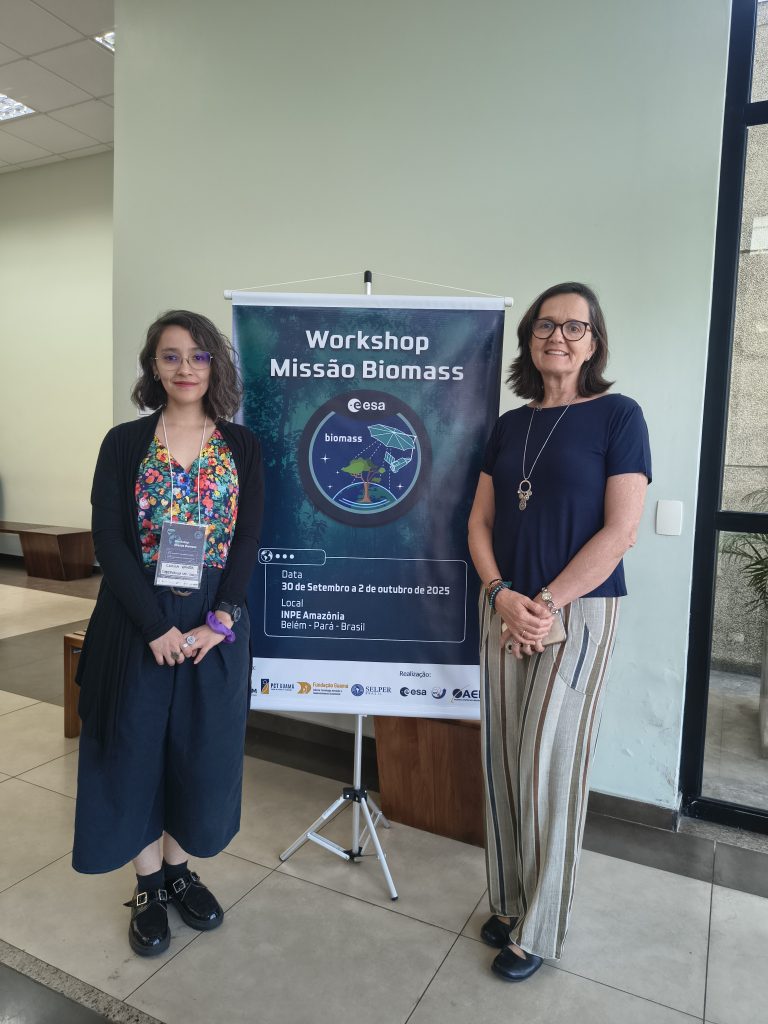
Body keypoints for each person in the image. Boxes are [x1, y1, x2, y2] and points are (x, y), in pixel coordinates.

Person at [468, 282, 651, 982]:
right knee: (504, 761)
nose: (559, 337)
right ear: (529, 338)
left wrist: (542, 605)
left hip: (575, 612)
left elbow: (621, 531)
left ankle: (540, 926)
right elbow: (480, 523)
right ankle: (511, 900)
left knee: (549, 764)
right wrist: (502, 596)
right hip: (504, 604)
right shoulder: (509, 425)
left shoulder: (618, 416)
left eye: (576, 326)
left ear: (594, 341)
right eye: (546, 324)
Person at [72, 310, 264, 957]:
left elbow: (248, 540)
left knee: (200, 754)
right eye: (171, 356)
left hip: (215, 623)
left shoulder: (242, 446)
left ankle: (180, 871)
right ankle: (149, 885)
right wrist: (155, 626)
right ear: (153, 367)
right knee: (132, 754)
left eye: (199, 356)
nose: (186, 368)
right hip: (137, 618)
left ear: (216, 365)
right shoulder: (124, 443)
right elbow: (108, 540)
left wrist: (221, 620)